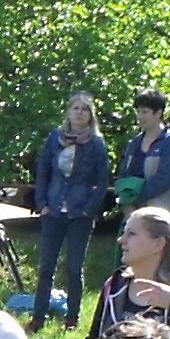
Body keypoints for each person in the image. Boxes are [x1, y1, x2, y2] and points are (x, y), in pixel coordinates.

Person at [29, 92, 113, 325]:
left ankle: (72, 318)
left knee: (74, 268)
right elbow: (43, 171)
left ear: (90, 116)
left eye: (84, 109)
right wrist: (42, 204)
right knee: (46, 267)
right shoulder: (55, 138)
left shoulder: (96, 143)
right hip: (53, 211)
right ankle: (38, 318)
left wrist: (88, 209)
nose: (79, 113)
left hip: (79, 214)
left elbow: (102, 181)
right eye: (75, 108)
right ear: (68, 112)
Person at [87, 208, 170, 339]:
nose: (121, 240)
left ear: (158, 244)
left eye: (131, 234)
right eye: (124, 233)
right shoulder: (114, 285)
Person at [117, 86, 170, 219]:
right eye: (138, 111)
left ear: (158, 113)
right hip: (134, 212)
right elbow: (124, 174)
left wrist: (136, 197)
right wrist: (126, 201)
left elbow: (165, 178)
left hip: (162, 212)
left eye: (145, 112)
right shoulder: (135, 143)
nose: (140, 116)